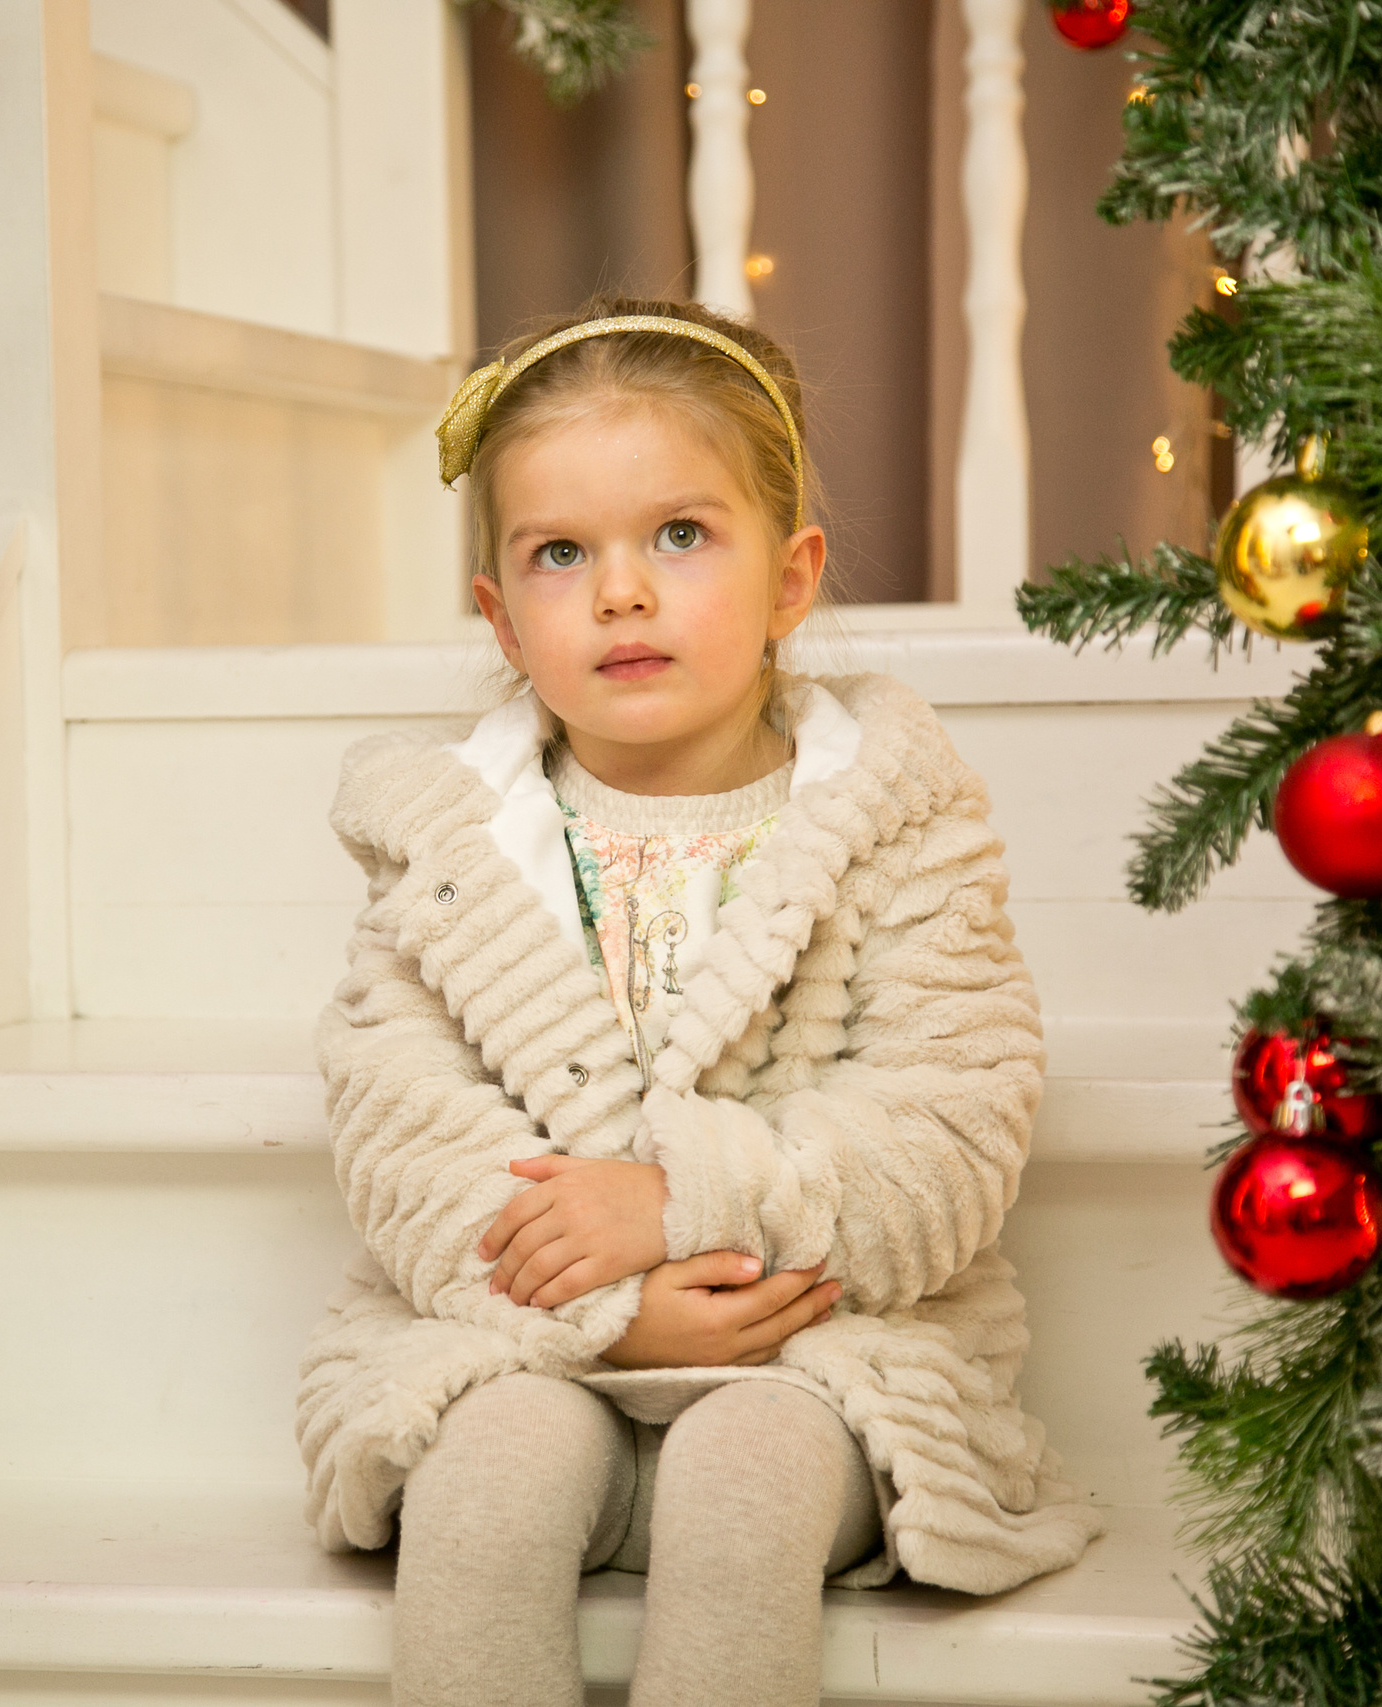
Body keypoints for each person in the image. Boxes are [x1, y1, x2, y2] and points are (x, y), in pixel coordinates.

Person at [294, 296, 1102, 1707]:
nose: (620, 591)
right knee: (485, 1490)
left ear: (792, 579)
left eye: (679, 535)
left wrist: (683, 1205)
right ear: (499, 615)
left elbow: (950, 1119)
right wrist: (610, 1308)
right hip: (524, 1349)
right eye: (560, 554)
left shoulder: (896, 819)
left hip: (820, 1352)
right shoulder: (446, 842)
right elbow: (400, 1126)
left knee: (742, 1484)